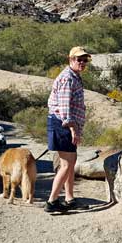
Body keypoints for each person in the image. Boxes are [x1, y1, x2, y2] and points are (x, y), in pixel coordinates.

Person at [45, 46, 92, 214]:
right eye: (79, 59)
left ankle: (69, 199)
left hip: (66, 124)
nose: (82, 63)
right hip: (63, 124)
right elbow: (65, 109)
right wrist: (73, 129)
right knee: (65, 165)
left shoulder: (75, 76)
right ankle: (52, 201)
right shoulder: (67, 78)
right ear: (70, 59)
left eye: (85, 60)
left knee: (70, 164)